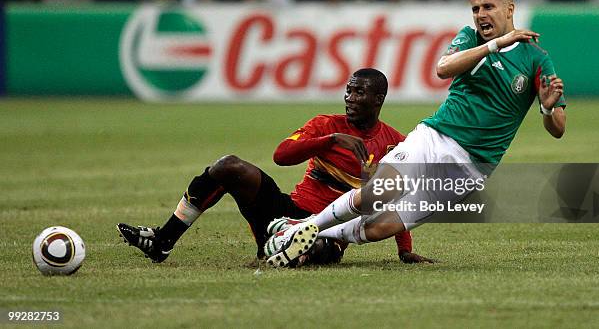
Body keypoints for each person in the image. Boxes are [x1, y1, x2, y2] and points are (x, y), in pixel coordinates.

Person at [265, 0, 566, 268]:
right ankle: (306, 228)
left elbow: (558, 128)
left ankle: (300, 230)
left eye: (488, 7)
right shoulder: (470, 38)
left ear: (509, 9)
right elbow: (442, 68)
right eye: (475, 9)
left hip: (473, 168)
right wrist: (496, 45)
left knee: (380, 228)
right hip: (435, 138)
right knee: (378, 193)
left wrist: (547, 107)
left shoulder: (536, 58)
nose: (480, 15)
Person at [117, 69, 433, 265]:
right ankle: (163, 241)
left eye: (359, 92)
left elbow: (398, 198)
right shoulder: (326, 125)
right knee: (229, 166)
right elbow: (281, 155)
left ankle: (283, 245)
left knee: (318, 246)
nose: (349, 97)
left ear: (378, 99)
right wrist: (328, 140)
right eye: (348, 89)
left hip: (329, 230)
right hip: (288, 210)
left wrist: (404, 249)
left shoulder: (395, 143)